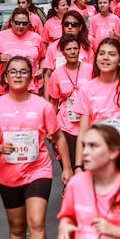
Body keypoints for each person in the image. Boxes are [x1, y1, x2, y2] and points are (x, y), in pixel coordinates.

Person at [0, 56, 73, 239]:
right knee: (17, 227)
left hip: (38, 170)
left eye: (23, 71)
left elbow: (58, 137)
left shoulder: (42, 106)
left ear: (31, 76)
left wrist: (66, 168)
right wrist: (0, 148)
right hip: (8, 174)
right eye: (13, 72)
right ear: (5, 77)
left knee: (36, 222)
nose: (18, 76)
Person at [73, 38, 120, 178]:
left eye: (112, 54)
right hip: (98, 147)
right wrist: (78, 166)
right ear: (96, 59)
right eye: (101, 53)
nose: (105, 58)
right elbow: (83, 131)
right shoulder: (86, 90)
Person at [44, 34, 94, 168]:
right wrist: (50, 129)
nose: (72, 52)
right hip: (66, 125)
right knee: (70, 165)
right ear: (63, 52)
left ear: (79, 50)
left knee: (88, 165)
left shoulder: (90, 69)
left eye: (75, 48)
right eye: (68, 49)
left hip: (87, 124)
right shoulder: (57, 74)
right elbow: (54, 104)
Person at [0, 7, 46, 95]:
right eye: (17, 23)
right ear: (11, 22)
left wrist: (42, 69)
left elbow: (43, 57)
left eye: (24, 24)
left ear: (29, 24)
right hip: (8, 89)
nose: (21, 26)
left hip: (31, 88)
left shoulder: (36, 38)